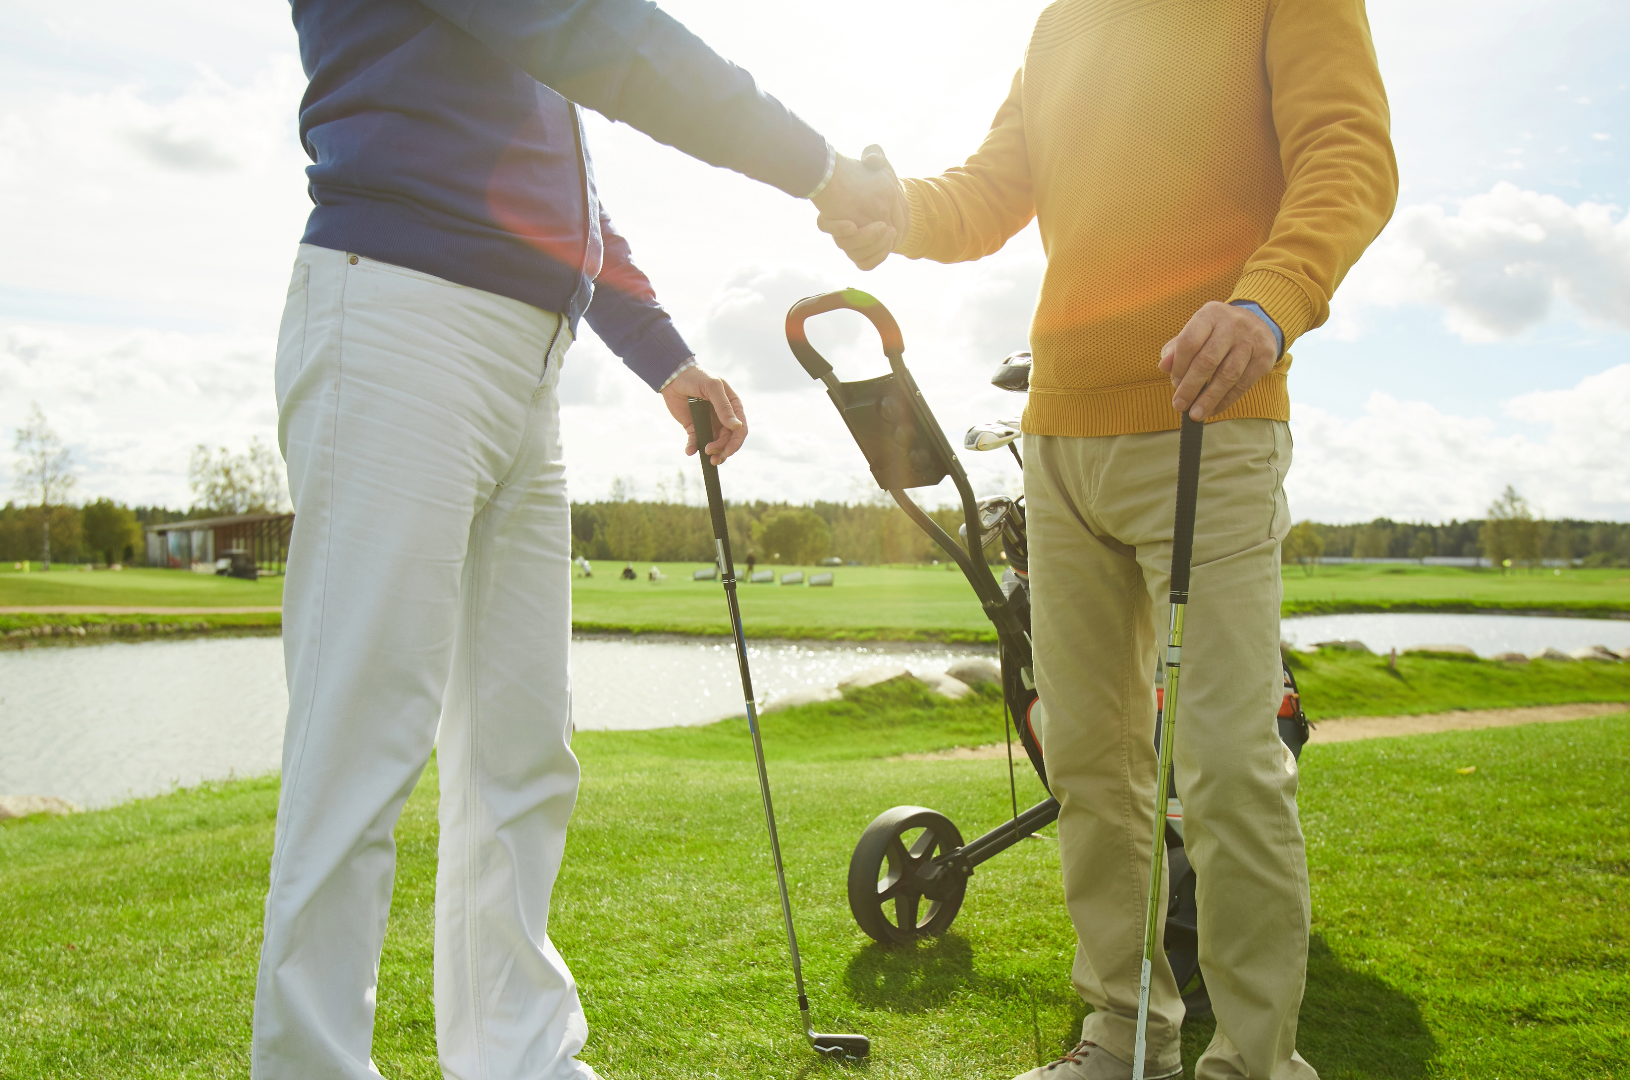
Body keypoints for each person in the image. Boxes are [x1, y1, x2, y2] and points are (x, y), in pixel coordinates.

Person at [255, 4, 897, 1079]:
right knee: (358, 750)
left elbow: (562, 202)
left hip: (529, 354)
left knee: (522, 753)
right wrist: (824, 170)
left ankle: (520, 1061)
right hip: (398, 311)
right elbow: (602, 34)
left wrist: (665, 357)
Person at [820, 3, 1397, 1078]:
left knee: (1227, 765)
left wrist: (1268, 305)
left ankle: (1260, 1062)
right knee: (1090, 760)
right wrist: (897, 211)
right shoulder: (1061, 23)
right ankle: (1124, 1035)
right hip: (1061, 438)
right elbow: (991, 191)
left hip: (1213, 420)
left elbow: (1350, 156)